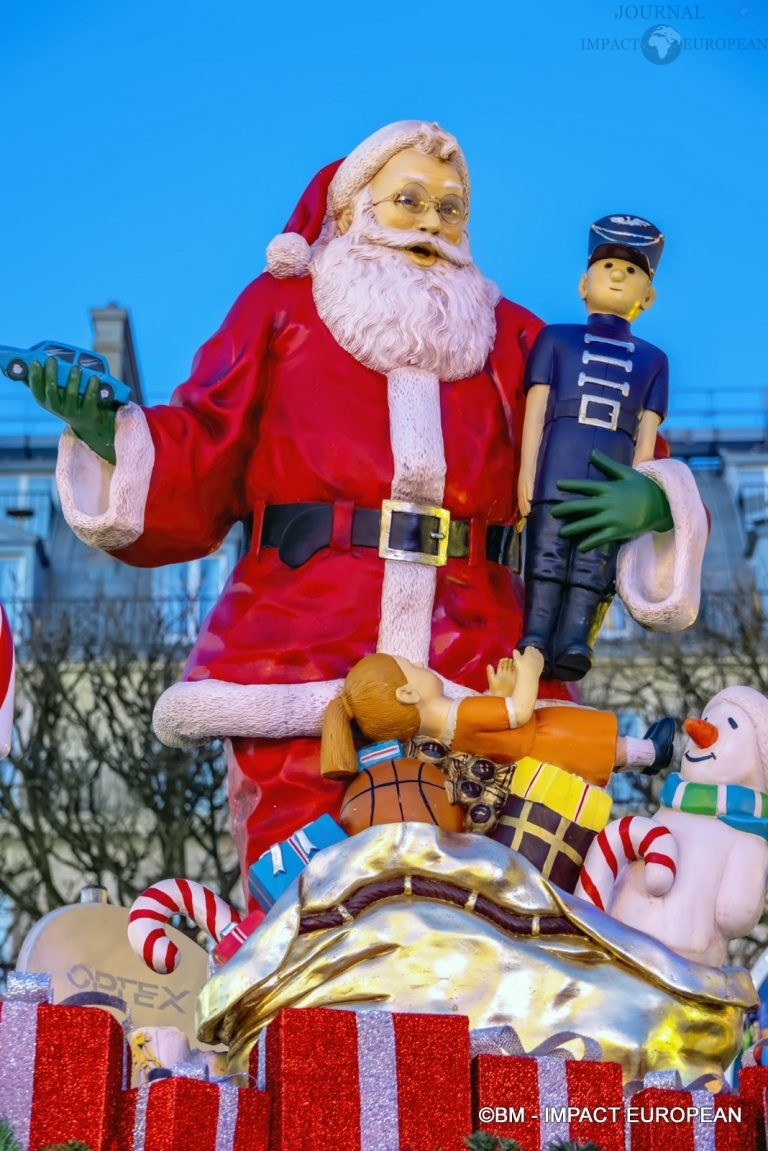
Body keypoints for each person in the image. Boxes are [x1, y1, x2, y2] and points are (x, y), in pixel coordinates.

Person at [30, 122, 706, 885]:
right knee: (305, 904)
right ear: (352, 212)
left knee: (506, 914)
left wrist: (652, 503)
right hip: (299, 663)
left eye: (451, 210)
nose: (430, 224)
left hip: (481, 674)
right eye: (409, 200)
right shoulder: (281, 310)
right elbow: (203, 440)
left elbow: (607, 440)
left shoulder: (514, 336)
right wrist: (109, 434)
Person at [515, 216, 677, 705]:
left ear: (647, 295)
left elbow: (647, 434)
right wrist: (525, 474)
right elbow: (536, 412)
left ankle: (575, 639)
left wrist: (642, 488)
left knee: (592, 563)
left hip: (613, 481)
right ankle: (536, 634)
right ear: (584, 283)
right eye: (607, 265)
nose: (616, 275)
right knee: (544, 556)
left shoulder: (654, 361)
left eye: (631, 271)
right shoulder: (555, 340)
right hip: (554, 469)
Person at [320, 652, 674, 787]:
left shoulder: (445, 735)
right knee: (602, 746)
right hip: (545, 738)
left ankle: (643, 756)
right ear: (408, 694)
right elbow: (518, 713)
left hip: (532, 757)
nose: (421, 667)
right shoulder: (462, 712)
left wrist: (497, 693)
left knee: (599, 750)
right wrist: (530, 672)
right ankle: (650, 754)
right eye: (412, 668)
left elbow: (490, 730)